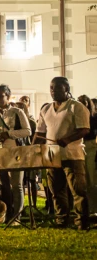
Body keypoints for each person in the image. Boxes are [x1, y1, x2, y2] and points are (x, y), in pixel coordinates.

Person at [34, 77, 91, 230]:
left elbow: (84, 129)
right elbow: (39, 133)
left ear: (67, 89)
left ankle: (81, 222)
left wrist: (68, 139)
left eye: (58, 88)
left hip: (72, 155)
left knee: (78, 190)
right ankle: (61, 220)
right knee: (56, 190)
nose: (53, 91)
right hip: (52, 156)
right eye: (51, 88)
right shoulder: (45, 109)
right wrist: (32, 149)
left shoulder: (76, 107)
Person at [0, 84, 31, 222]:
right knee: (3, 185)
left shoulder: (17, 112)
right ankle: (7, 213)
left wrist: (9, 134)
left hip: (14, 151)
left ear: (8, 97)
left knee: (17, 185)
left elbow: (27, 131)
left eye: (0, 96)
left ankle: (17, 216)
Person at [77, 95, 97, 213]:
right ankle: (82, 208)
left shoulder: (94, 118)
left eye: (85, 103)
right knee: (80, 179)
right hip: (78, 146)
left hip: (90, 147)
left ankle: (93, 208)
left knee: (91, 180)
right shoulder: (76, 117)